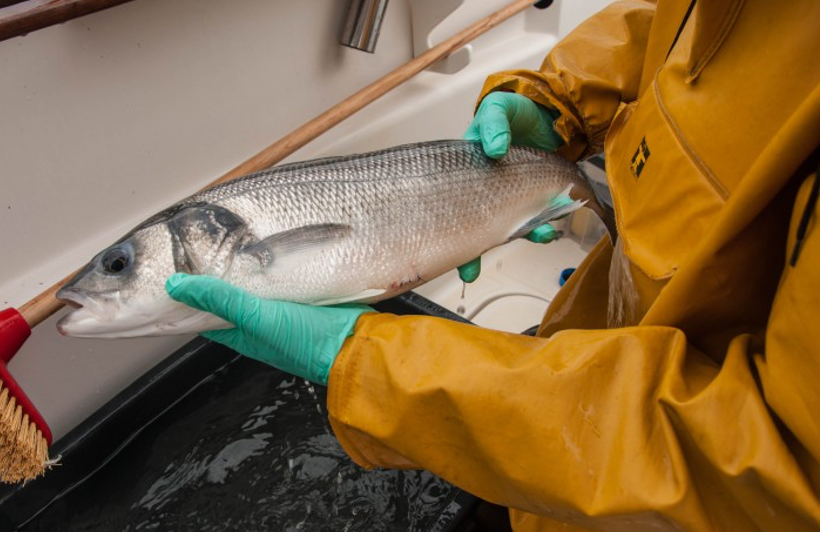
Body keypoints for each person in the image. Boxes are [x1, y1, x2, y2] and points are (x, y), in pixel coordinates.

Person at [166, 0, 820, 529]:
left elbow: (774, 473)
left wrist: (370, 363)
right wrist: (557, 99)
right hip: (574, 384)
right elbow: (685, 30)